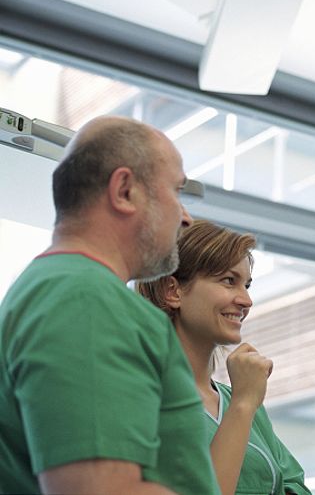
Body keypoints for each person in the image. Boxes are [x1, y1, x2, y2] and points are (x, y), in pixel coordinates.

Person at [0, 115, 219, 494]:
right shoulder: (86, 300)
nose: (186, 217)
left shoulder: (59, 290)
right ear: (125, 191)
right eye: (177, 191)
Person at [138, 220, 311, 495]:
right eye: (229, 281)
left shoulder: (238, 398)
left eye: (247, 285)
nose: (246, 301)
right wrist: (242, 406)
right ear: (173, 291)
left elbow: (294, 485)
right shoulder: (143, 396)